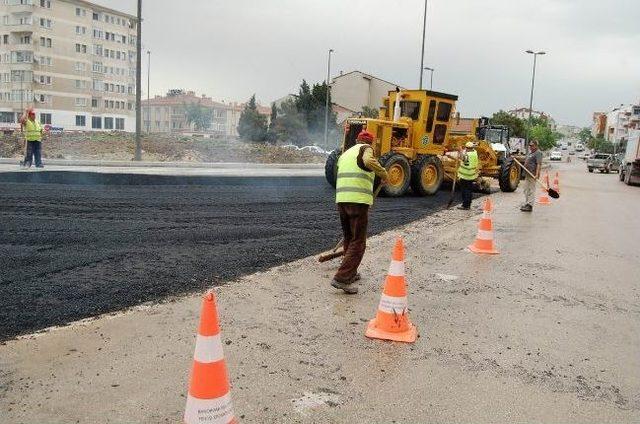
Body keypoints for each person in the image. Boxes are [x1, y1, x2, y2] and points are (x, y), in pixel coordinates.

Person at [331, 130, 389, 294]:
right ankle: (342, 278)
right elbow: (368, 161)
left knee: (350, 237)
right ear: (369, 142)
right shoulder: (366, 149)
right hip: (357, 201)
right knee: (359, 241)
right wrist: (383, 173)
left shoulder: (346, 152)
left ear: (356, 140)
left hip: (342, 199)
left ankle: (351, 273)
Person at [455, 141, 479, 210]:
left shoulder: (467, 155)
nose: (466, 149)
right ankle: (468, 204)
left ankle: (465, 205)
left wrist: (460, 151)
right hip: (471, 175)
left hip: (465, 176)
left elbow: (463, 159)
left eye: (467, 148)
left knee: (465, 191)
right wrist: (461, 150)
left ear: (468, 148)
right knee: (469, 190)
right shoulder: (474, 153)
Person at [520, 139, 542, 212]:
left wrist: (536, 174)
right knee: (525, 190)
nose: (530, 147)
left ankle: (530, 205)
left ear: (536, 146)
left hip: (532, 175)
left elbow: (539, 164)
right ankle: (527, 203)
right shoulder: (531, 153)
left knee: (531, 190)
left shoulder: (538, 153)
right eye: (529, 145)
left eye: (531, 145)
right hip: (527, 174)